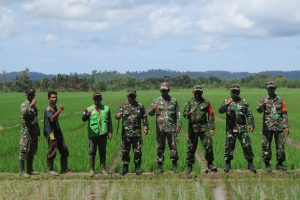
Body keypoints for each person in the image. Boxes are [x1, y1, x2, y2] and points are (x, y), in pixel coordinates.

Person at [218, 84, 256, 173]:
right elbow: (220, 111)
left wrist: (251, 125)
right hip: (230, 129)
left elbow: (249, 114)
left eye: (236, 91)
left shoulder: (244, 102)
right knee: (229, 146)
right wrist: (227, 103)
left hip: (242, 128)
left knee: (247, 146)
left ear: (239, 92)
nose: (235, 93)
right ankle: (228, 164)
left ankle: (250, 163)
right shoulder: (226, 101)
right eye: (233, 91)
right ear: (230, 92)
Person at [148, 82, 181, 173]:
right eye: (162, 90)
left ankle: (174, 165)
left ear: (168, 90)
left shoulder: (174, 101)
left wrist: (178, 125)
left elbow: (178, 115)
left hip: (171, 129)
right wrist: (153, 109)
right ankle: (159, 166)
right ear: (160, 91)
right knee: (160, 148)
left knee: (173, 148)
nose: (164, 92)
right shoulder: (156, 101)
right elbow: (150, 114)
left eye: (166, 90)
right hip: (160, 130)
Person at [183, 85, 217, 174]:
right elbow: (185, 115)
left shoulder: (206, 103)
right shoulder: (189, 103)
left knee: (209, 146)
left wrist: (212, 128)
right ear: (193, 92)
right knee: (191, 147)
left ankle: (210, 163)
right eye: (196, 92)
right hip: (192, 128)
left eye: (199, 92)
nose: (197, 94)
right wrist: (189, 112)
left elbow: (211, 114)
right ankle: (189, 166)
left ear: (201, 92)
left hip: (204, 128)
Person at [257, 81, 289, 172]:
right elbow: (258, 110)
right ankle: (267, 164)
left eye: (273, 88)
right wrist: (263, 103)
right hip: (267, 128)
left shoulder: (280, 99)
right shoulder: (263, 99)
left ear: (275, 89)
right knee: (266, 146)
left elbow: (284, 113)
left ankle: (280, 164)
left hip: (279, 127)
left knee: (280, 146)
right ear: (267, 89)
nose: (271, 90)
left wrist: (286, 126)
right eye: (269, 88)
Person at [115, 89, 148, 175]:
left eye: (133, 96)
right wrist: (117, 115)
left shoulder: (140, 106)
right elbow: (117, 115)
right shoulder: (123, 105)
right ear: (127, 96)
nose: (131, 97)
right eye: (130, 96)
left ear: (135, 96)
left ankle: (137, 168)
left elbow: (144, 117)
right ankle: (125, 168)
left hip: (137, 134)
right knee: (125, 151)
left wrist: (145, 127)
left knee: (137, 152)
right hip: (125, 134)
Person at [82, 91, 112, 177]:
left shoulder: (106, 108)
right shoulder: (88, 109)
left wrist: (110, 132)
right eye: (96, 98)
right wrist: (87, 114)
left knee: (102, 152)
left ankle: (102, 169)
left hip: (103, 135)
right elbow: (83, 119)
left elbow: (109, 121)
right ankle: (91, 170)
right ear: (93, 99)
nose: (97, 100)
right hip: (93, 135)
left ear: (101, 99)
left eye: (99, 98)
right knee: (92, 152)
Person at [44, 90, 70, 176]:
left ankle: (64, 168)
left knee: (64, 150)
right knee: (52, 151)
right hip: (51, 133)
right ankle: (50, 169)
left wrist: (57, 110)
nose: (54, 99)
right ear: (49, 98)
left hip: (57, 132)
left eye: (55, 97)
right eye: (52, 97)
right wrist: (59, 110)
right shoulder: (48, 108)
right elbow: (51, 119)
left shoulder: (54, 107)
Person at [19, 88, 40, 178]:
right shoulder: (24, 104)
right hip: (26, 132)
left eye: (33, 95)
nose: (32, 96)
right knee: (24, 150)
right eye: (30, 95)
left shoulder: (34, 106)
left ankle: (30, 169)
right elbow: (24, 113)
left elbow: (35, 118)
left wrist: (38, 129)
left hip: (33, 131)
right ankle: (22, 171)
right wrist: (31, 105)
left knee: (32, 150)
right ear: (26, 95)